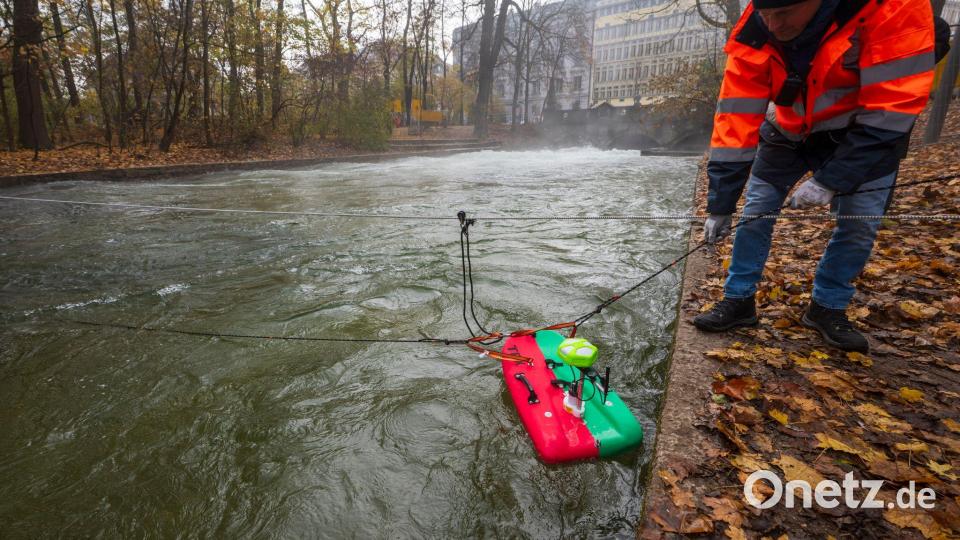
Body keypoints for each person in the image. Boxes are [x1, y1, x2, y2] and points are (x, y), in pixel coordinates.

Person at [693, 0, 938, 353]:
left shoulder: (893, 8)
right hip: (787, 131)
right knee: (756, 209)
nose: (774, 25)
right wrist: (720, 204)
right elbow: (735, 121)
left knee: (858, 223)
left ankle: (828, 307)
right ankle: (738, 300)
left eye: (785, 13)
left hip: (867, 135)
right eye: (767, 14)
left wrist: (831, 180)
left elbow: (892, 109)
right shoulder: (752, 34)